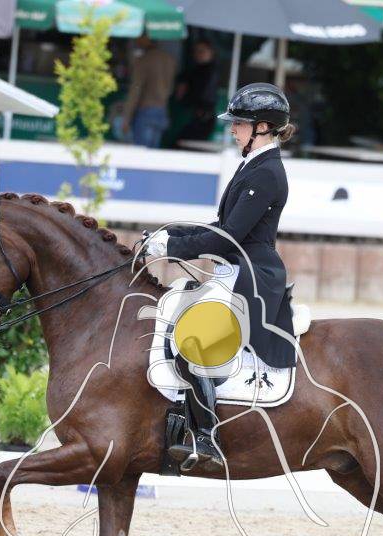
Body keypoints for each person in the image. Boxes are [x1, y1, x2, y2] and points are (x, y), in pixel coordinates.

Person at [143, 82, 298, 473]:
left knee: (194, 341)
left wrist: (172, 248)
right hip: (233, 268)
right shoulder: (252, 164)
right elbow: (221, 225)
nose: (232, 129)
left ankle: (206, 436)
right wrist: (170, 233)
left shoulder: (267, 173)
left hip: (252, 275)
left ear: (263, 127)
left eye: (240, 124)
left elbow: (229, 236)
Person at [121, 35, 177, 149]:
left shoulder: (144, 60)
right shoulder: (169, 59)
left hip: (146, 111)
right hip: (162, 110)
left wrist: (126, 118)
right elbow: (170, 88)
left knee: (141, 153)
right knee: (153, 153)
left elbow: (135, 91)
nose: (136, 40)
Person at [173, 39, 219, 144]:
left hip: (203, 117)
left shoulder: (210, 71)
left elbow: (202, 93)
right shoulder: (195, 70)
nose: (198, 54)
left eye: (202, 51)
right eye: (196, 51)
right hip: (192, 115)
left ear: (211, 52)